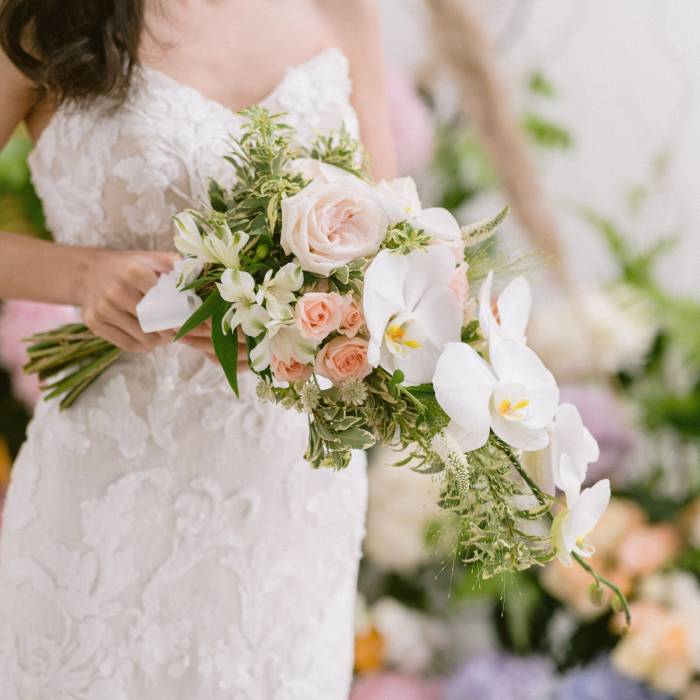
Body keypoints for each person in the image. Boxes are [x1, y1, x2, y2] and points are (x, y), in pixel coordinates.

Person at [0, 1, 395, 697]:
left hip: (292, 513)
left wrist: (330, 323)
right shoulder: (47, 13)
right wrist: (83, 274)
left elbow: (395, 253)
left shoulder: (342, 10)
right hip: (108, 511)